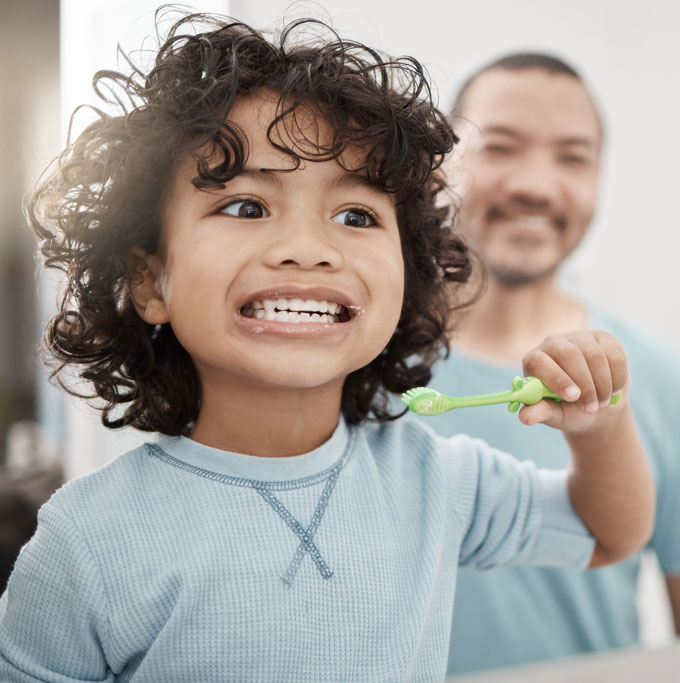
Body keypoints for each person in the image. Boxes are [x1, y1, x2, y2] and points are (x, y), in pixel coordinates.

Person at [0, 14, 655, 681]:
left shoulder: (437, 481)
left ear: (409, 271)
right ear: (148, 280)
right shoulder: (84, 540)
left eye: (356, 216)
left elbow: (608, 532)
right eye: (248, 206)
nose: (309, 250)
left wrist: (601, 429)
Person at [426, 53, 680, 675]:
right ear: (438, 164)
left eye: (572, 157)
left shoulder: (660, 381)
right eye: (501, 147)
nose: (536, 185)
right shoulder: (349, 365)